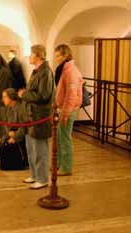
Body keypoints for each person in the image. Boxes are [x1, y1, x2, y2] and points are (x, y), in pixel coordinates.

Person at [18, 45, 55, 190]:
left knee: (40, 149)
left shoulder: (45, 72)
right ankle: (34, 175)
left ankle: (42, 178)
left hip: (39, 115)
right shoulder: (37, 71)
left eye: (31, 54)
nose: (29, 57)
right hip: (30, 115)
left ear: (39, 55)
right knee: (31, 147)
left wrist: (23, 94)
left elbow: (43, 95)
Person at [55, 44, 83, 176]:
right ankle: (60, 164)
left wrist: (65, 113)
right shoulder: (65, 70)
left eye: (59, 56)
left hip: (68, 110)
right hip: (63, 109)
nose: (56, 58)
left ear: (66, 55)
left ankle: (66, 168)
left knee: (65, 139)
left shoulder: (71, 71)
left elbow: (71, 95)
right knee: (60, 138)